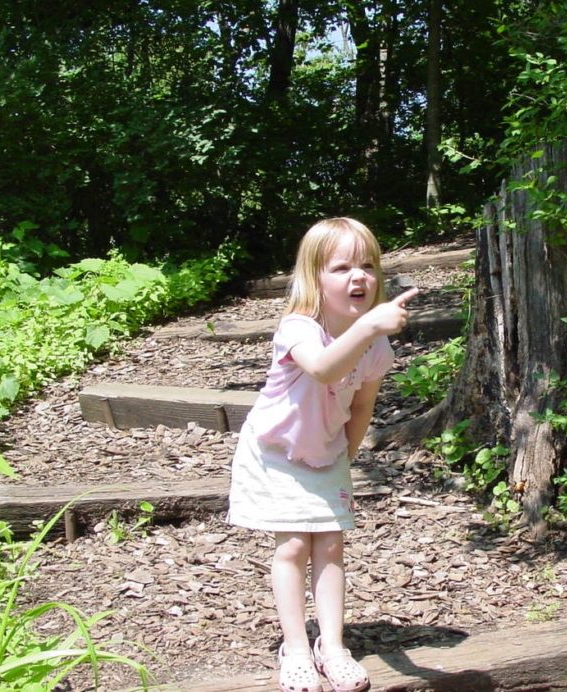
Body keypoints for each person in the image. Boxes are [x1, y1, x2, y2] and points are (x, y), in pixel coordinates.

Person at [227, 217, 418, 692]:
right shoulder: (298, 328)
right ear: (315, 278)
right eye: (341, 267)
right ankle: (294, 647)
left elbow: (362, 404)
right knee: (291, 546)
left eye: (368, 266)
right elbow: (323, 368)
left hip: (327, 452)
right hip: (275, 451)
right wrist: (371, 324)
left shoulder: (377, 349)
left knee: (331, 546)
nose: (359, 276)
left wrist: (345, 456)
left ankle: (332, 645)